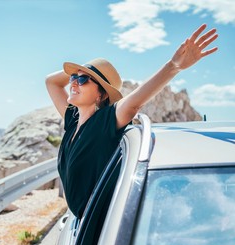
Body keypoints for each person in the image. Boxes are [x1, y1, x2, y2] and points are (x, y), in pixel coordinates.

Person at [45, 24, 218, 220]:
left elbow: (133, 104)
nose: (74, 82)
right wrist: (80, 70)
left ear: (101, 94)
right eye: (73, 78)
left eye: (84, 80)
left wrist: (173, 66)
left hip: (98, 232)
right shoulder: (72, 119)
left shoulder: (104, 122)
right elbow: (51, 81)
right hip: (80, 225)